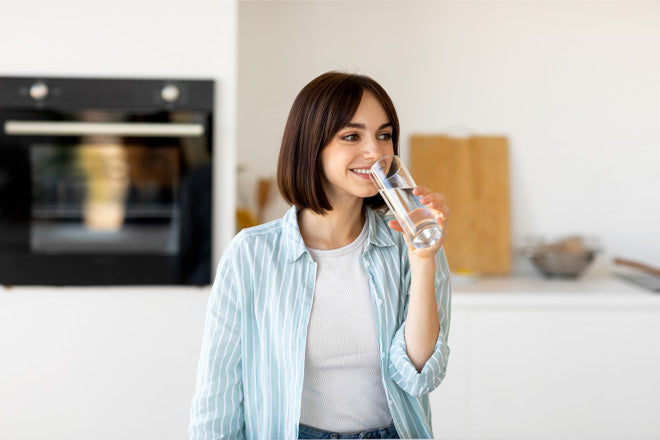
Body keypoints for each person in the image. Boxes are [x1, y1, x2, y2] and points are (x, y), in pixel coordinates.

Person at [188, 71, 451, 439]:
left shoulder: (409, 246)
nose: (375, 151)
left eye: (384, 135)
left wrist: (423, 261)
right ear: (311, 144)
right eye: (351, 136)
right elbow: (218, 396)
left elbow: (420, 375)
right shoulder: (252, 255)